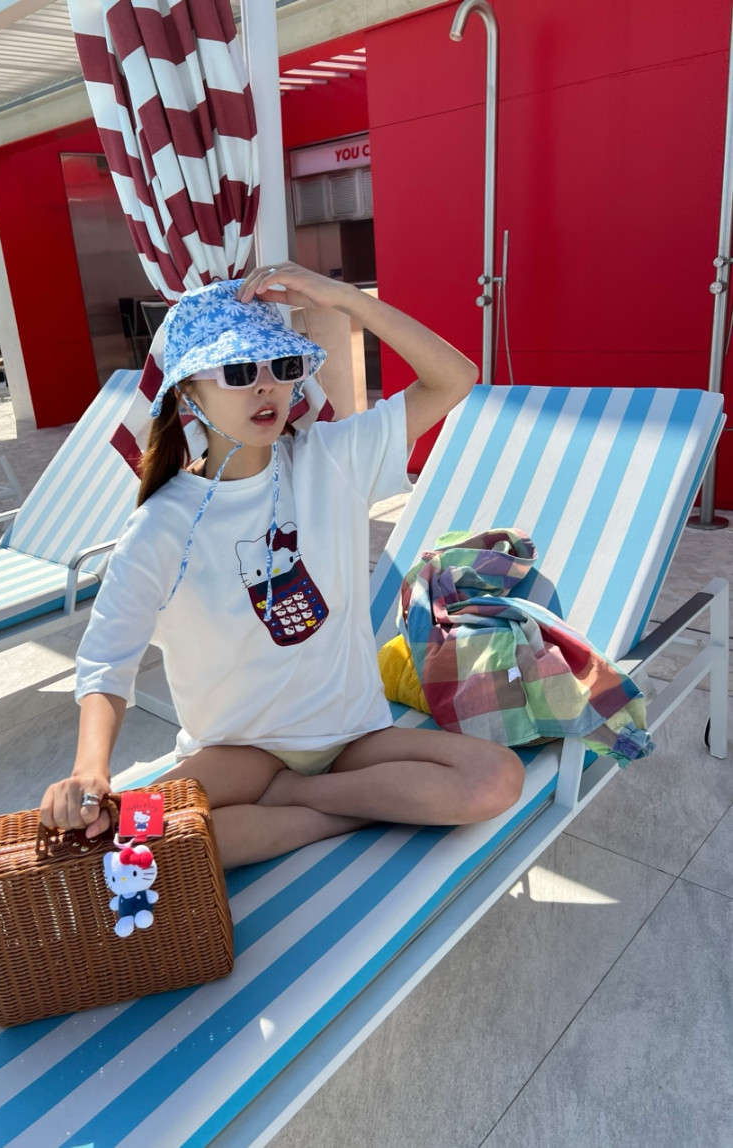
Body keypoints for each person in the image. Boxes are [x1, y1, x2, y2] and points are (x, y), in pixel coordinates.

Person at [40, 263, 524, 869]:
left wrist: (343, 298)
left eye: (284, 366)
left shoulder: (331, 459)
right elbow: (107, 661)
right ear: (188, 391)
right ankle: (348, 806)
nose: (267, 387)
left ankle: (298, 801)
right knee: (134, 836)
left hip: (351, 737)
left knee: (494, 779)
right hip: (241, 753)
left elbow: (455, 377)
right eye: (239, 372)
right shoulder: (162, 525)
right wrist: (90, 768)